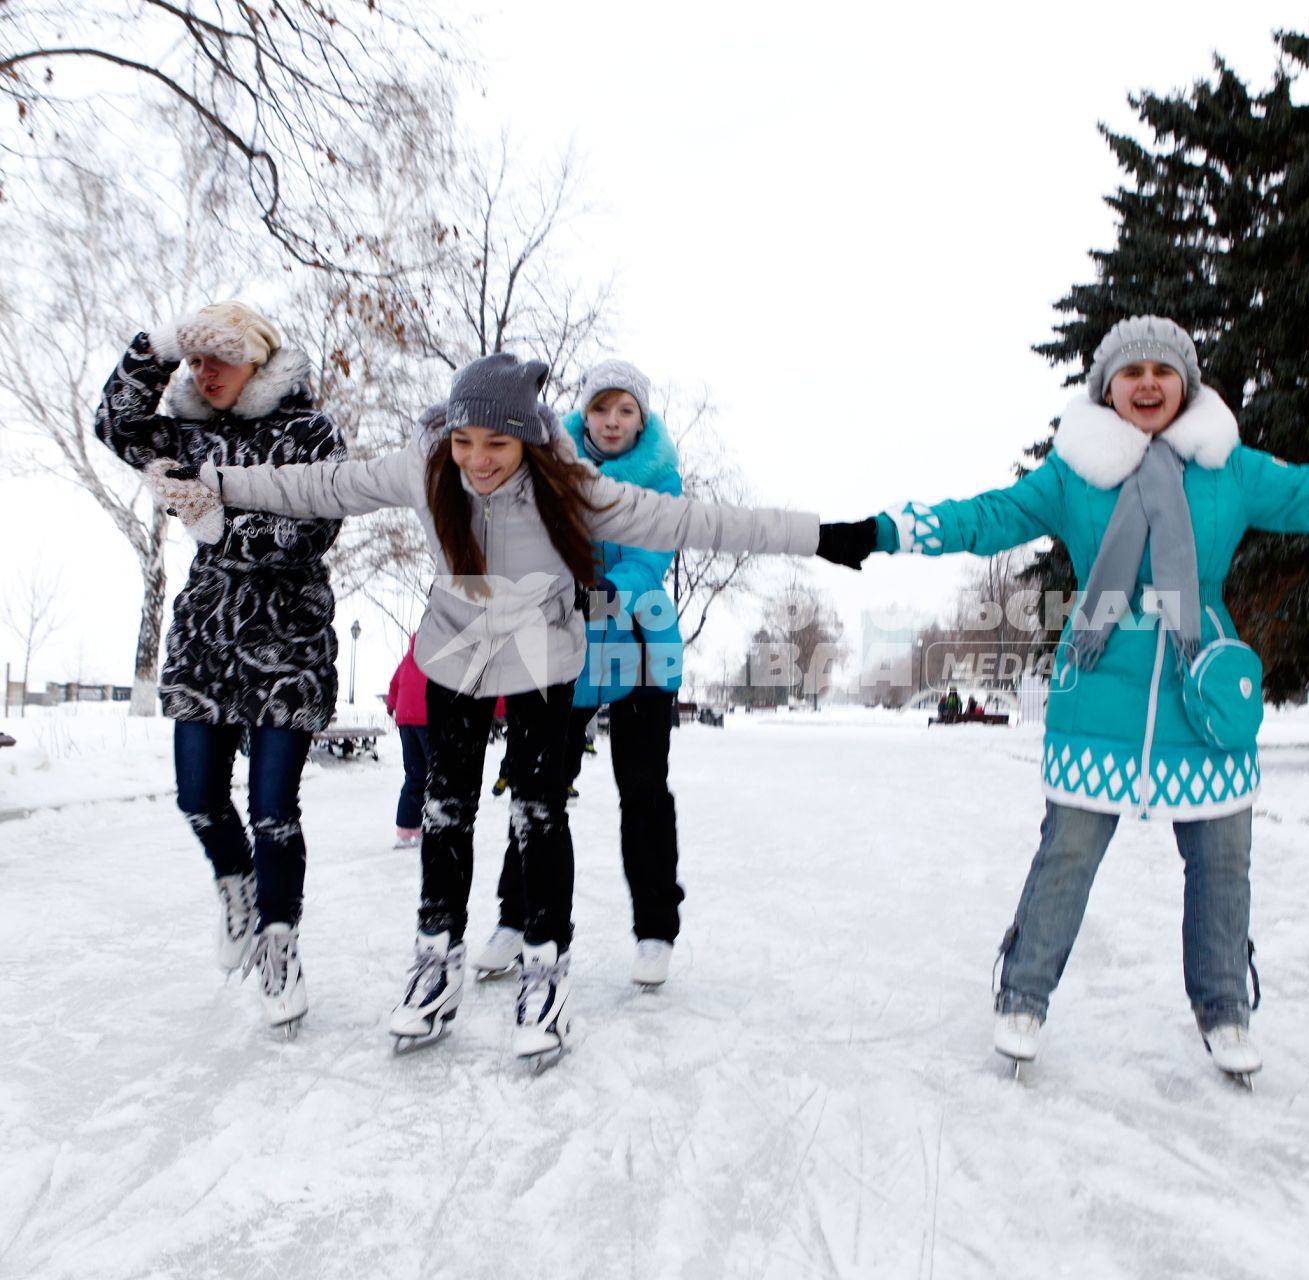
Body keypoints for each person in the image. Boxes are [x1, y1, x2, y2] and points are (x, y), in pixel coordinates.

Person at [845, 315, 1309, 1079]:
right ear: (1108, 388)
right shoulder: (1074, 474)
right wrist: (889, 531)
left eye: (1165, 371)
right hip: (1099, 679)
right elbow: (987, 518)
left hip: (1203, 686)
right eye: (1133, 373)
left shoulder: (1230, 470)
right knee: (1068, 853)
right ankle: (1024, 993)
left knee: (1224, 859)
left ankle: (1225, 1007)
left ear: (1186, 385)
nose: (1150, 384)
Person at [154, 352, 869, 1061]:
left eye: (496, 444)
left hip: (542, 656)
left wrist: (821, 536)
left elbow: (695, 522)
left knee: (538, 808)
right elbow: (320, 484)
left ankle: (545, 968)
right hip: (455, 650)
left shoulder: (574, 487)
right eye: (465, 441)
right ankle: (436, 959)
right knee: (445, 809)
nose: (477, 460)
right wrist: (209, 480)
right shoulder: (428, 465)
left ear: (527, 438)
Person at [94, 301, 345, 1031]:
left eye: (217, 358)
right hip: (205, 641)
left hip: (286, 645)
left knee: (272, 809)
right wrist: (158, 345)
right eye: (193, 359)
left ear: (258, 361)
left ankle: (279, 942)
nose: (203, 374)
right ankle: (235, 887)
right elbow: (115, 424)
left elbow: (313, 530)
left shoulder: (309, 430)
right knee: (199, 797)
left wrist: (217, 523)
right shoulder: (187, 427)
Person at [472, 360, 688, 989]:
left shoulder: (661, 479)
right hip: (562, 646)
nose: (612, 421)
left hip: (640, 646)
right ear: (584, 414)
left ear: (641, 418)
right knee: (538, 787)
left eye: (625, 410)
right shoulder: (550, 465)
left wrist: (590, 598)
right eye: (601, 409)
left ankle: (654, 929)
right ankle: (518, 919)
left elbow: (649, 564)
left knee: (643, 791)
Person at [384, 632, 429, 849]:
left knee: (414, 774)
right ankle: (430, 826)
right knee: (435, 775)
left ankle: (406, 828)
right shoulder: (439, 655)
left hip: (405, 719)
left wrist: (391, 706)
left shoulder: (407, 659)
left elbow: (393, 685)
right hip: (427, 718)